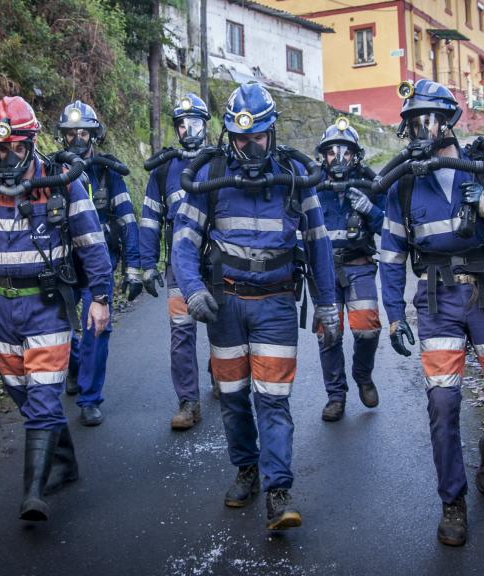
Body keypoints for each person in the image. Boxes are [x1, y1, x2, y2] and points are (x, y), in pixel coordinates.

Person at [172, 81, 340, 531]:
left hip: (277, 304)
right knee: (232, 396)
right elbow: (183, 242)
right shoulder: (211, 175)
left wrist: (327, 304)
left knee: (273, 399)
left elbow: (319, 244)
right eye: (241, 138)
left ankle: (278, 491)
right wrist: (192, 290)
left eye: (258, 137)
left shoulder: (295, 176)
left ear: (272, 133)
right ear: (229, 135)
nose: (249, 147)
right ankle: (246, 469)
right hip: (224, 304)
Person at [0, 96, 113, 521]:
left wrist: (101, 298)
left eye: (18, 147)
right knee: (22, 392)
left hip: (46, 305)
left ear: (32, 143)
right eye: (2, 149)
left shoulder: (61, 183)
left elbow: (92, 243)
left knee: (45, 393)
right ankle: (65, 462)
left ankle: (33, 494)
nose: (10, 156)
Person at [379, 79, 484, 546]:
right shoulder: (404, 183)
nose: (418, 130)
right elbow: (391, 255)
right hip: (437, 300)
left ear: (447, 122)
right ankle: (453, 502)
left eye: (426, 120)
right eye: (411, 123)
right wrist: (393, 315)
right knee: (443, 403)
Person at [58, 100, 141, 426]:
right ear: (62, 137)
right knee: (58, 325)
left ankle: (90, 398)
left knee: (96, 326)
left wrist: (134, 267)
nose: (77, 139)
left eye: (84, 133)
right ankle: (75, 367)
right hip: (64, 263)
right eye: (71, 134)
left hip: (100, 261)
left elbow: (128, 220)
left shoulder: (109, 172)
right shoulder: (53, 170)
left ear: (94, 135)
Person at [139, 93, 212, 430]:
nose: (188, 130)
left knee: (223, 327)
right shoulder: (164, 169)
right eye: (182, 125)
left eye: (194, 123)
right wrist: (146, 265)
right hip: (178, 267)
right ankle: (188, 402)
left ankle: (223, 376)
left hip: (218, 262)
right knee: (181, 332)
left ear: (206, 125)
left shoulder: (220, 162)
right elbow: (150, 219)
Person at [313, 118, 386, 422]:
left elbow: (390, 229)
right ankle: (336, 396)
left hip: (359, 266)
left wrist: (370, 209)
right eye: (332, 152)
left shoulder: (370, 185)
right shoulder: (313, 187)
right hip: (324, 272)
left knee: (367, 329)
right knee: (329, 334)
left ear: (356, 156)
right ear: (323, 156)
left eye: (346, 151)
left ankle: (363, 375)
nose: (339, 158)